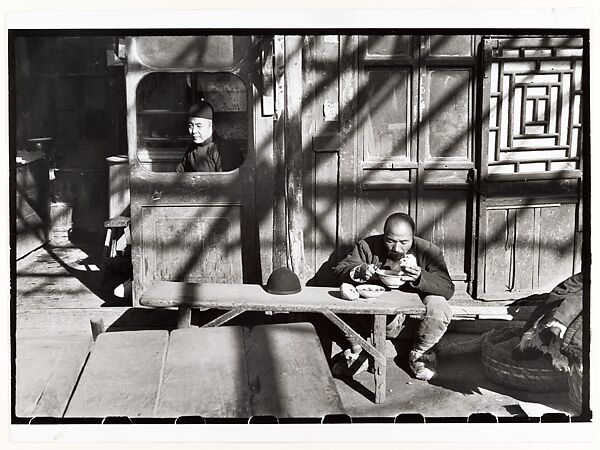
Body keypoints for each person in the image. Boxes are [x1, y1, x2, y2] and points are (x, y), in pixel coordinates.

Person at [332, 212, 454, 381]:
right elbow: (340, 270)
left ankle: (420, 354)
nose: (396, 248)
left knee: (439, 305)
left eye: (404, 242)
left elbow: (447, 287)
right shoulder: (367, 246)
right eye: (390, 241)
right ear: (384, 235)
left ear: (413, 237)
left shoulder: (428, 250)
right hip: (371, 317)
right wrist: (360, 271)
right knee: (339, 297)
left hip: (411, 322)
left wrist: (420, 276)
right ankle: (359, 351)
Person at [176, 101, 222, 172]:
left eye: (199, 126)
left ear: (212, 127)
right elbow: (179, 174)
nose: (194, 131)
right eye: (190, 126)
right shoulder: (192, 148)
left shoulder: (221, 149)